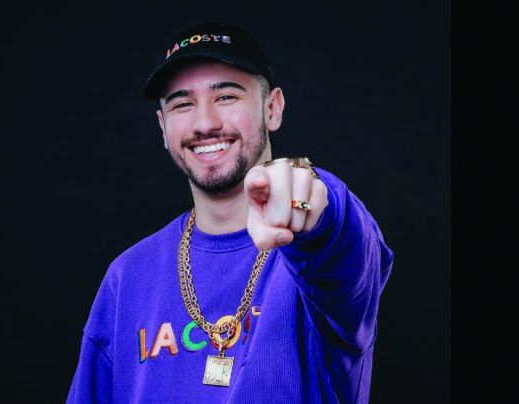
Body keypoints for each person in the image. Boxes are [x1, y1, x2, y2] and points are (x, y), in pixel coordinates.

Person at [67, 21, 393, 403]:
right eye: (183, 104)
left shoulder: (316, 258)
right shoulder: (127, 277)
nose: (205, 123)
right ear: (163, 127)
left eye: (226, 96)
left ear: (272, 109)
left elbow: (345, 247)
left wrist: (314, 206)